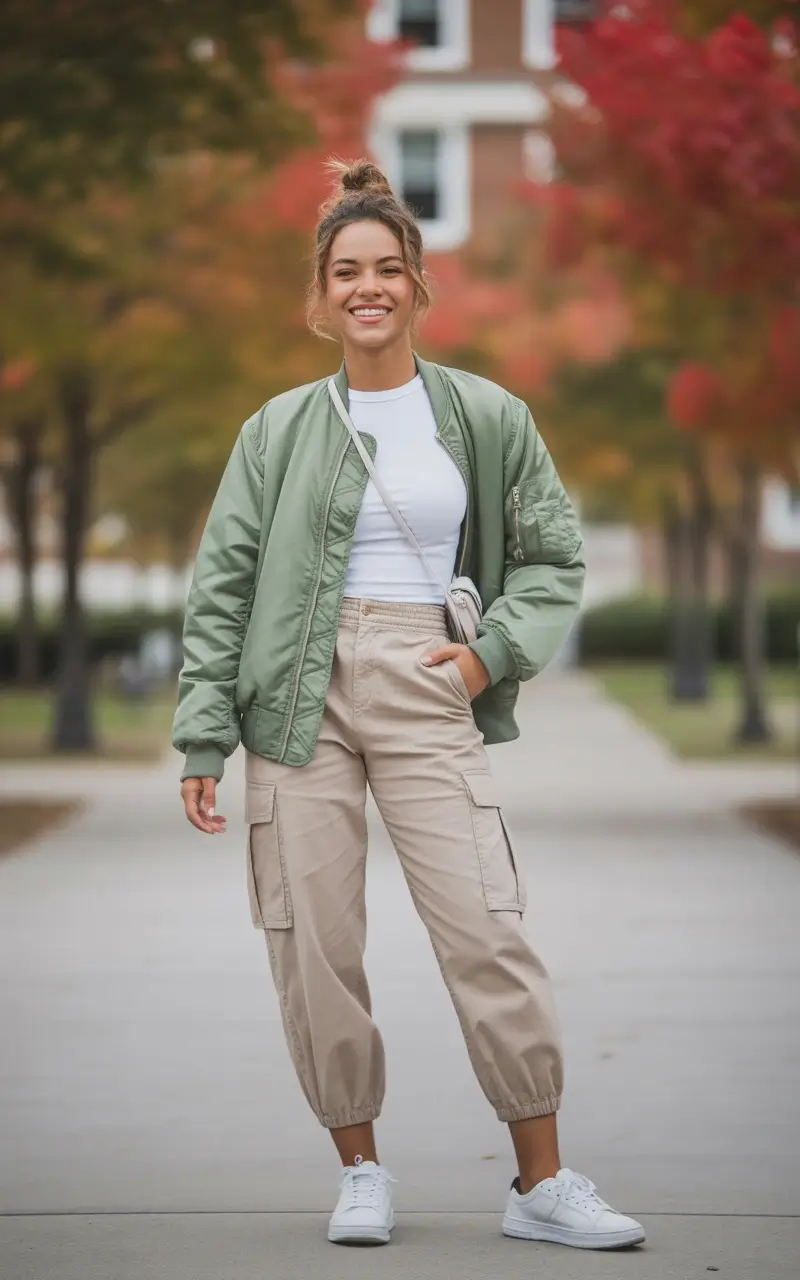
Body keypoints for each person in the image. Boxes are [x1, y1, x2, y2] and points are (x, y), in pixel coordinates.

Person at [172, 159, 645, 1252]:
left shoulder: (484, 415)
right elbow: (223, 585)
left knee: (485, 926)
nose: (367, 287)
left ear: (417, 284)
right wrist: (203, 729)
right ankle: (360, 1166)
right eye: (346, 271)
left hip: (426, 674)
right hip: (293, 695)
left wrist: (484, 660)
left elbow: (551, 556)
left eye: (387, 268)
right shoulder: (275, 430)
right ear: (320, 294)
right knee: (314, 941)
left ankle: (540, 1179)